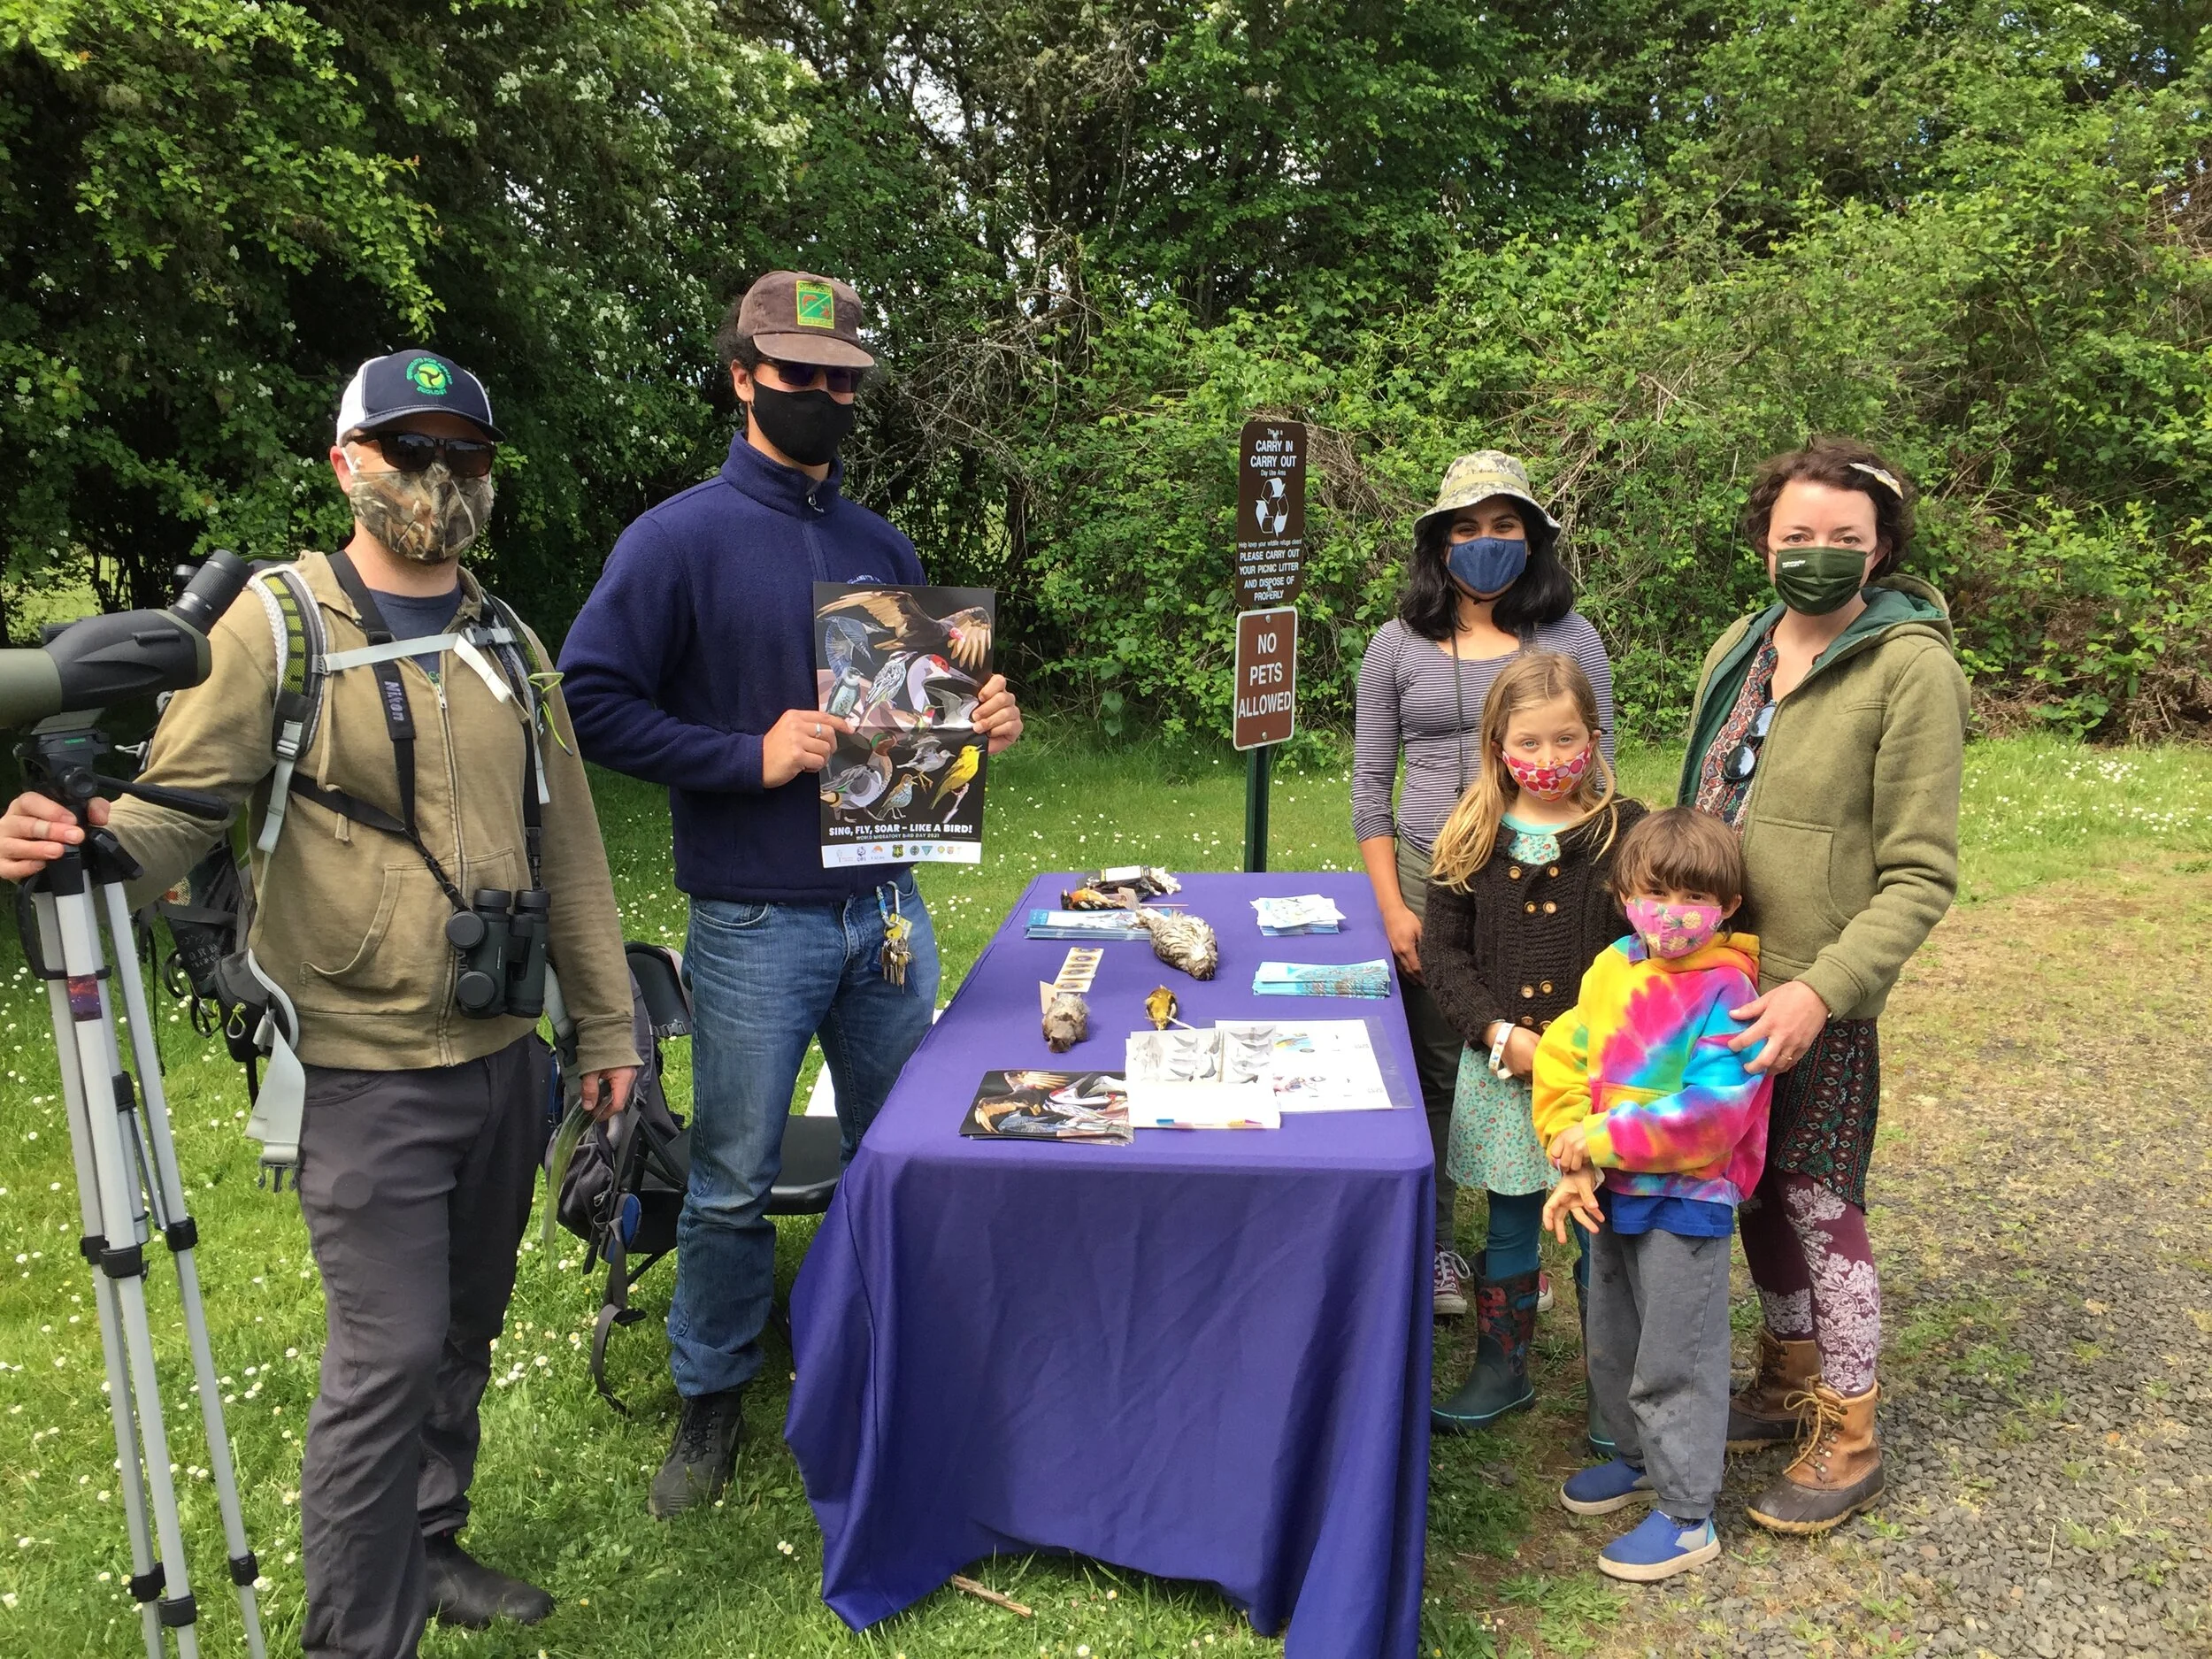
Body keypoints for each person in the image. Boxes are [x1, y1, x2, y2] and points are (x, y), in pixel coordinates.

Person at [0, 349, 641, 1657]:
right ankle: (359, 1633)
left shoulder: (511, 640)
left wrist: (611, 1027)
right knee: (388, 1353)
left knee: (466, 1323)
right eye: (409, 449)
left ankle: (433, 1538)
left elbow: (570, 844)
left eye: (463, 453)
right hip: (360, 1066)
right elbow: (173, 816)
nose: (437, 477)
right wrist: (73, 847)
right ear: (348, 459)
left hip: (505, 1050)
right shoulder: (278, 622)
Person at [559, 271, 1025, 1519]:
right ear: (742, 374)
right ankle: (711, 1395)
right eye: (798, 371)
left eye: (844, 377)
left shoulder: (883, 549)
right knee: (730, 1174)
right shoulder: (677, 539)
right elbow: (589, 696)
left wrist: (980, 721)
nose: (824, 392)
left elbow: (913, 733)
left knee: (897, 1154)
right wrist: (742, 754)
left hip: (887, 912)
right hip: (754, 917)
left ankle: (883, 1352)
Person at [1678, 436, 1968, 1534]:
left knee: (1815, 1198)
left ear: (1880, 548)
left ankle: (1850, 1430)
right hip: (1712, 978)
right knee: (1744, 1186)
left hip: (1816, 994)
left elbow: (1920, 872)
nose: (1815, 553)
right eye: (1796, 534)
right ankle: (1786, 1372)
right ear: (1763, 540)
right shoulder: (1737, 648)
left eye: (1842, 538)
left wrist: (1825, 988)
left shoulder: (1910, 666)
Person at [1354, 450, 1617, 1319]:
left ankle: (1537, 1233)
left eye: (1505, 526)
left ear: (1532, 540)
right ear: (1439, 542)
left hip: (1553, 886)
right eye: (1467, 527)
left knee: (1553, 1060)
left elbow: (1596, 766)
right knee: (1443, 1072)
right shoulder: (1395, 646)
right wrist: (1395, 907)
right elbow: (1369, 788)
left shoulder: (1571, 638)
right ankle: (1435, 1251)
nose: (1486, 542)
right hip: (1440, 887)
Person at [1533, 807, 1772, 1583]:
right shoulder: (1611, 969)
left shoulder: (1730, 989)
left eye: (1693, 897)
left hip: (1687, 1202)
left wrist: (1600, 1139)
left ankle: (1686, 1511)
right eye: (1654, 892)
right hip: (1610, 1195)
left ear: (1728, 905)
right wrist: (1570, 1154)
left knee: (1678, 1356)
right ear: (1624, 892)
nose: (1671, 913)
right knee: (1616, 1337)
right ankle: (1637, 1461)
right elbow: (1566, 1057)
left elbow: (1712, 1116)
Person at [1418, 651, 1641, 1441]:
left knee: (1600, 1225)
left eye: (1565, 739)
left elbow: (1656, 954)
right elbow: (1443, 954)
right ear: (1497, 743)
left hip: (1603, 1083)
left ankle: (1614, 1389)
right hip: (1505, 1074)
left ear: (1594, 735)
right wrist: (1496, 1031)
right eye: (1530, 743)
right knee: (1511, 1221)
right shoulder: (1473, 832)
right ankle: (1500, 1367)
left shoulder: (1626, 832)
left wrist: (1603, 1049)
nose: (1548, 760)